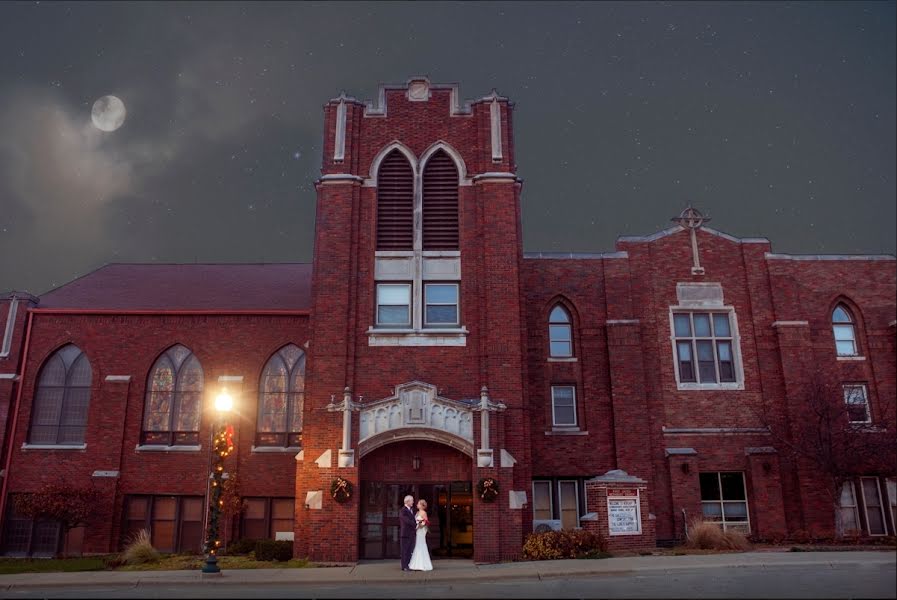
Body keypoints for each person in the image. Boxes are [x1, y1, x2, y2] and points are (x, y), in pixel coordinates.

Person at [408, 499, 433, 571]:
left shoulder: (423, 513)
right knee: (417, 545)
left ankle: (423, 564)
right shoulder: (417, 512)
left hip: (421, 530)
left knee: (421, 544)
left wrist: (420, 525)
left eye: (418, 504)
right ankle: (416, 564)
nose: (417, 505)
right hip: (417, 530)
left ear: (422, 505)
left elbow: (426, 522)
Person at [399, 494, 416, 571]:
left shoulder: (411, 510)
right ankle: (404, 566)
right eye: (412, 500)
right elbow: (406, 520)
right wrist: (416, 523)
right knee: (405, 550)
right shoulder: (403, 510)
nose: (413, 502)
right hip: (405, 534)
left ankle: (408, 564)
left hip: (411, 534)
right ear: (407, 501)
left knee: (409, 550)